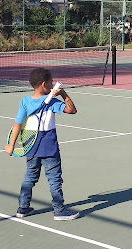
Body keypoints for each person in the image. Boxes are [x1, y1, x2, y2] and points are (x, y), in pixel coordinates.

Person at [5, 67, 80, 220]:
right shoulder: (52, 102)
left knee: (30, 177)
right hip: (49, 147)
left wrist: (11, 144)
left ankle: (23, 208)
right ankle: (59, 211)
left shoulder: (25, 101)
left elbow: (18, 123)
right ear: (44, 84)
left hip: (30, 146)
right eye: (51, 82)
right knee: (54, 179)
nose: (53, 85)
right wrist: (64, 94)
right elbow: (72, 110)